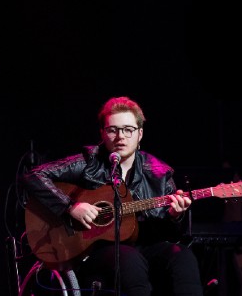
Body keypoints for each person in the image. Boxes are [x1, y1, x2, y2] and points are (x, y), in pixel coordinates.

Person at [22, 96, 203, 296]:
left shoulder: (159, 173)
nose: (120, 137)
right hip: (93, 250)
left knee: (183, 257)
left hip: (145, 247)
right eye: (112, 130)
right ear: (102, 133)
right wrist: (70, 206)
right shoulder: (89, 161)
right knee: (128, 259)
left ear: (140, 133)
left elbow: (173, 236)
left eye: (128, 129)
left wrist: (175, 215)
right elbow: (33, 176)